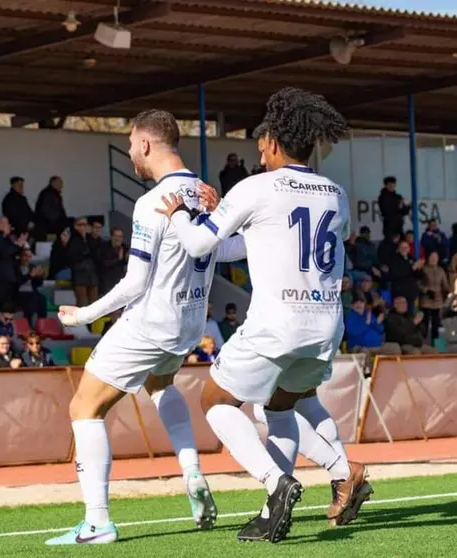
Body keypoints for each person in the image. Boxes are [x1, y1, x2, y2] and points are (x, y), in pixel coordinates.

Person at [154, 88, 368, 542]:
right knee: (282, 406)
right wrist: (224, 216)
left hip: (277, 322)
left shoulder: (254, 187)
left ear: (272, 142)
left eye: (261, 142)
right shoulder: (335, 192)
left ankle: (277, 484)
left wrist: (180, 215)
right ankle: (332, 476)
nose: (258, 149)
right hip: (326, 323)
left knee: (215, 401)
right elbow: (275, 240)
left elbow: (198, 245)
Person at [52, 109, 249, 547]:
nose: (129, 154)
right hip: (189, 322)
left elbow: (136, 282)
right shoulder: (205, 192)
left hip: (151, 322)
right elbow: (232, 252)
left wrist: (82, 316)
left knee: (84, 409)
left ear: (145, 144)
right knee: (159, 387)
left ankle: (97, 522)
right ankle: (192, 471)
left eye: (130, 145)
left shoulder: (151, 202)